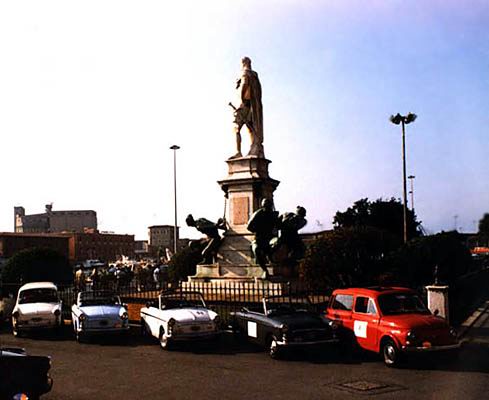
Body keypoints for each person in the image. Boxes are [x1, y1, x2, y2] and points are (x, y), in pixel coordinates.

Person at [229, 56, 264, 159]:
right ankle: (254, 148)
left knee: (236, 128)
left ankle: (238, 151)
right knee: (250, 128)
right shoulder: (255, 75)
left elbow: (244, 84)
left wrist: (241, 101)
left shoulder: (244, 73)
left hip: (242, 106)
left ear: (243, 63)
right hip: (253, 106)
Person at [247, 198, 279, 278]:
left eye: (269, 205)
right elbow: (249, 226)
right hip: (259, 238)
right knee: (256, 249)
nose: (268, 207)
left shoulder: (273, 215)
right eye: (266, 205)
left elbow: (278, 226)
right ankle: (265, 270)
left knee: (277, 242)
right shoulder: (258, 213)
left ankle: (270, 256)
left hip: (270, 238)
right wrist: (258, 230)